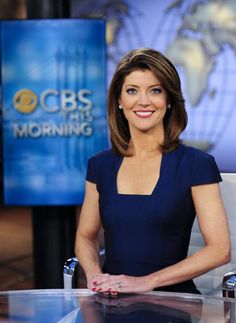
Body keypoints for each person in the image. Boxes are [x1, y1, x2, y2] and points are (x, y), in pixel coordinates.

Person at [75, 48, 231, 295]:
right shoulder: (100, 165)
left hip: (173, 303)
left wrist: (146, 282)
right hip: (113, 300)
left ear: (169, 100)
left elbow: (220, 250)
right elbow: (85, 236)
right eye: (132, 90)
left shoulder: (196, 164)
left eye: (155, 90)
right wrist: (95, 275)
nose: (143, 101)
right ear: (119, 100)